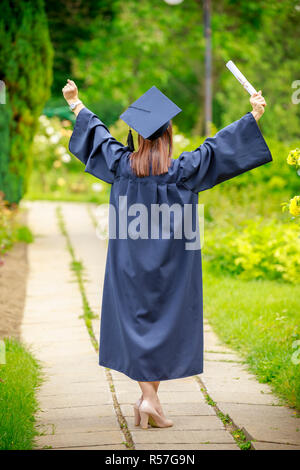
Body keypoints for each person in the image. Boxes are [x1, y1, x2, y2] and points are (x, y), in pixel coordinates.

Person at [62, 79, 271, 429]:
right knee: (164, 323)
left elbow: (97, 135)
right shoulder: (184, 171)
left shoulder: (120, 165)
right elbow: (218, 148)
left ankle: (149, 399)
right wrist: (254, 114)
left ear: (141, 137)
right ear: (168, 135)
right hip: (173, 269)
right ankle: (150, 400)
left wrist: (75, 103)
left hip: (128, 265)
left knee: (135, 322)